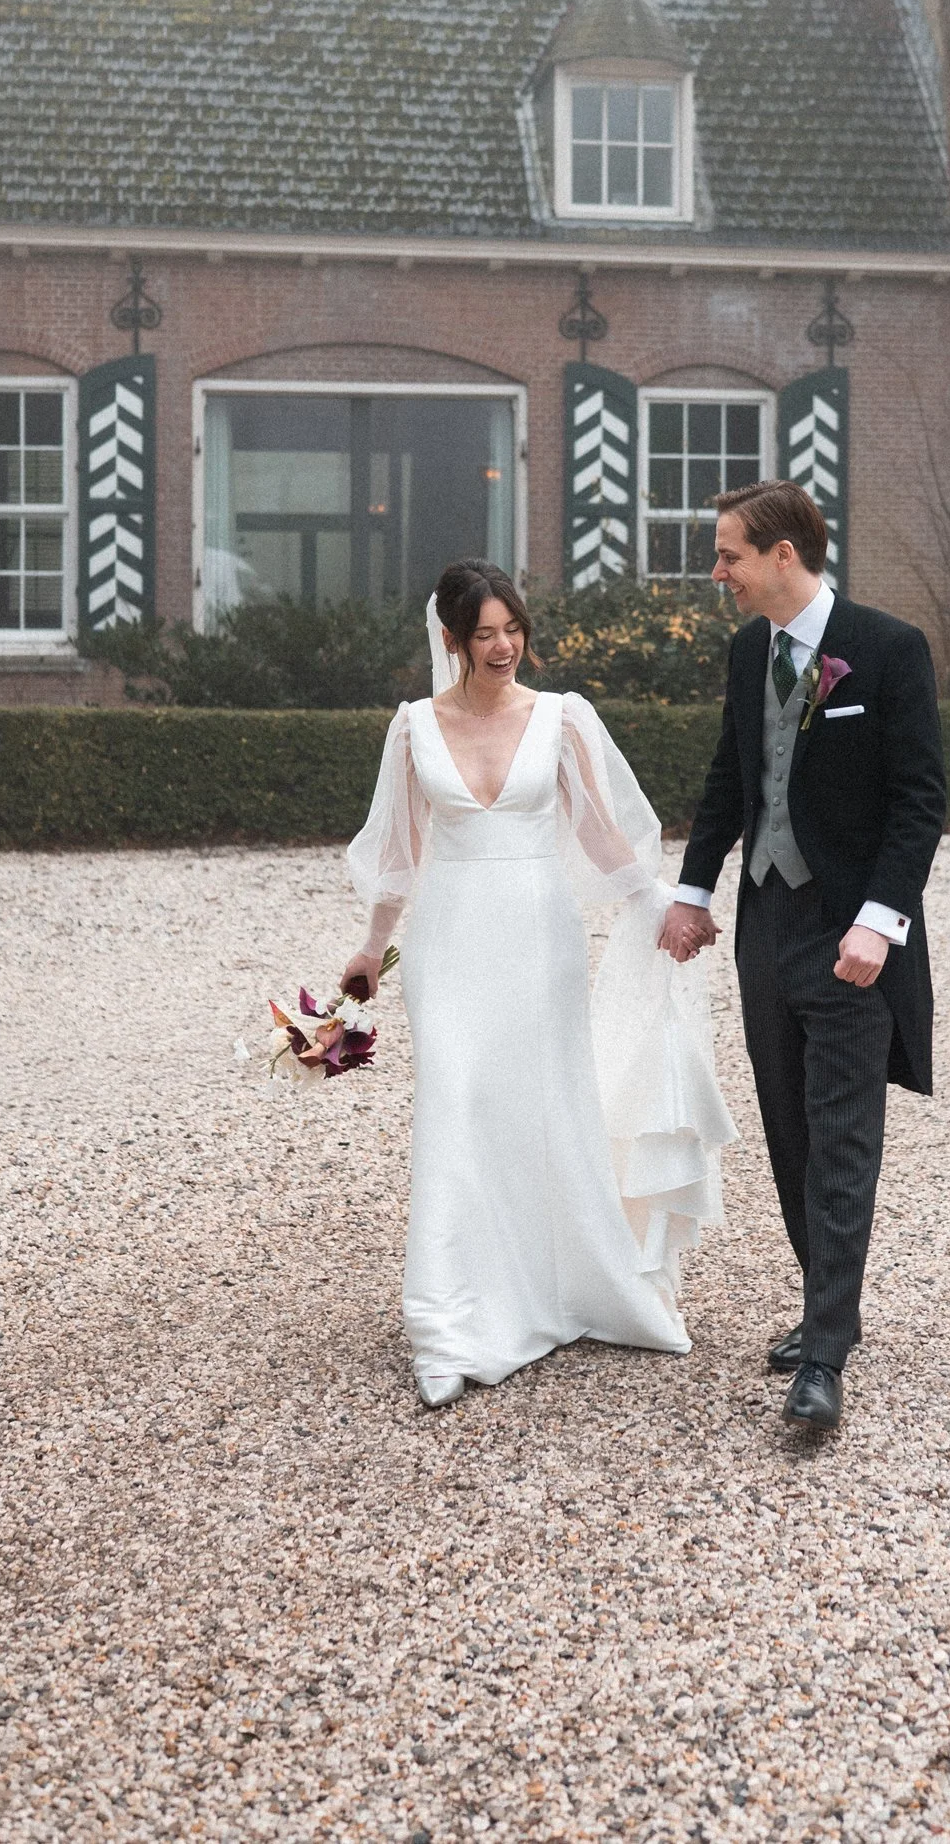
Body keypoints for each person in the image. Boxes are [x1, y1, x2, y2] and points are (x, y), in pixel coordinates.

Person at [342, 558, 734, 1410]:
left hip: (536, 936)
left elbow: (601, 833)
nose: (502, 646)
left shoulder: (561, 717)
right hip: (448, 941)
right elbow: (400, 851)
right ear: (451, 639)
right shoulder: (413, 725)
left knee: (547, 1103)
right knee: (456, 1100)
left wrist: (657, 906)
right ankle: (448, 1317)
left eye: (512, 628)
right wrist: (371, 949)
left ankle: (566, 1286)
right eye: (483, 633)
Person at [656, 483, 945, 1433]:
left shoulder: (890, 648)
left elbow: (918, 803)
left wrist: (880, 922)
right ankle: (828, 1298)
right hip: (766, 925)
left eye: (729, 554)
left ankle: (823, 1353)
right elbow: (732, 775)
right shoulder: (750, 653)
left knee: (843, 1137)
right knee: (787, 1125)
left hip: (850, 932)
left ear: (784, 555)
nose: (717, 573)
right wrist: (693, 892)